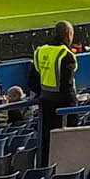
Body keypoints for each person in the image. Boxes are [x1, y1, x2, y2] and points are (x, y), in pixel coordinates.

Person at [33, 20, 78, 163]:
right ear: (68, 35)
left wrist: (44, 93)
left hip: (45, 104)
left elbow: (32, 82)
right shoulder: (66, 55)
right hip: (62, 108)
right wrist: (73, 114)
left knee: (46, 141)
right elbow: (67, 87)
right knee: (65, 143)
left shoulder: (40, 51)